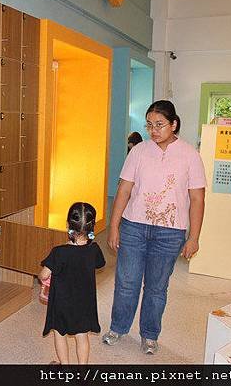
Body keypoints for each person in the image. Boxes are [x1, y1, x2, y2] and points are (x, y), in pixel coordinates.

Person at [103, 100, 206, 355]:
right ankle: (118, 327)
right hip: (134, 227)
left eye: (159, 124)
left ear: (174, 124)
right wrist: (114, 226)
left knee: (157, 287)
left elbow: (197, 199)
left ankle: (149, 334)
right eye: (149, 125)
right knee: (126, 282)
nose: (153, 130)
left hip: (170, 233)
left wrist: (194, 237)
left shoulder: (190, 155)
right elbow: (124, 190)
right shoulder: (138, 151)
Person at [39, 202, 106, 364]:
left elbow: (43, 275)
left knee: (60, 334)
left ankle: (65, 369)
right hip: (84, 303)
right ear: (92, 227)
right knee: (82, 337)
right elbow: (100, 264)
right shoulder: (94, 250)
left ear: (68, 224)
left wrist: (44, 275)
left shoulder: (59, 253)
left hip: (62, 303)